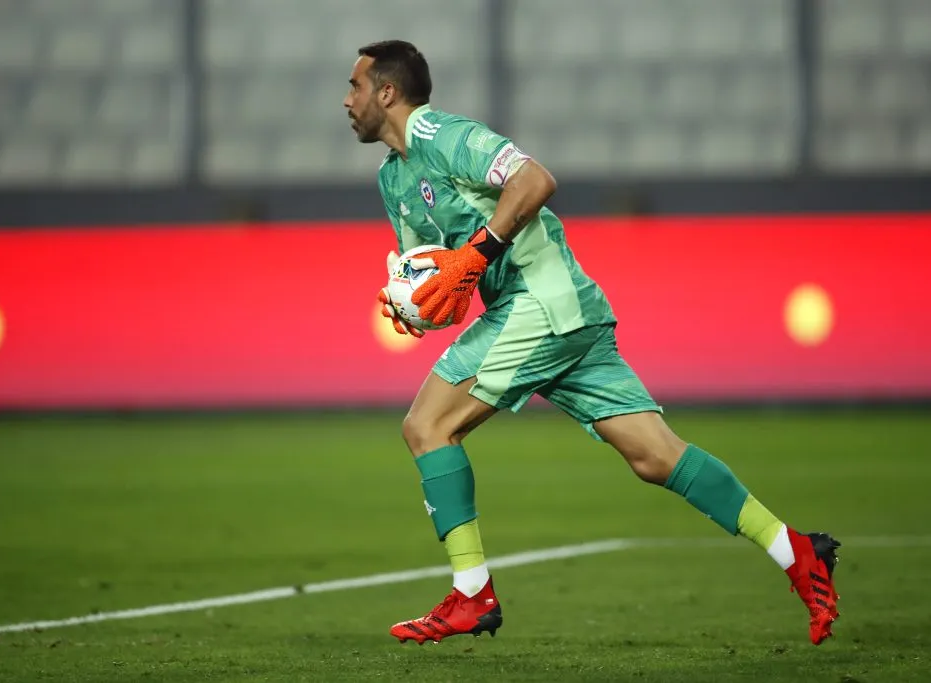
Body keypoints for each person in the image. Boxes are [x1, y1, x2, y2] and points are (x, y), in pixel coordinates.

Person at [343, 40, 841, 646]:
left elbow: (534, 180)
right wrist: (417, 304)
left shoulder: (445, 135)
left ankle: (472, 595)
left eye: (356, 87)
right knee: (655, 456)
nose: (348, 101)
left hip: (541, 300)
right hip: (557, 314)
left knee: (427, 427)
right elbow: (450, 282)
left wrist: (473, 256)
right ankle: (796, 552)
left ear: (387, 93)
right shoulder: (393, 179)